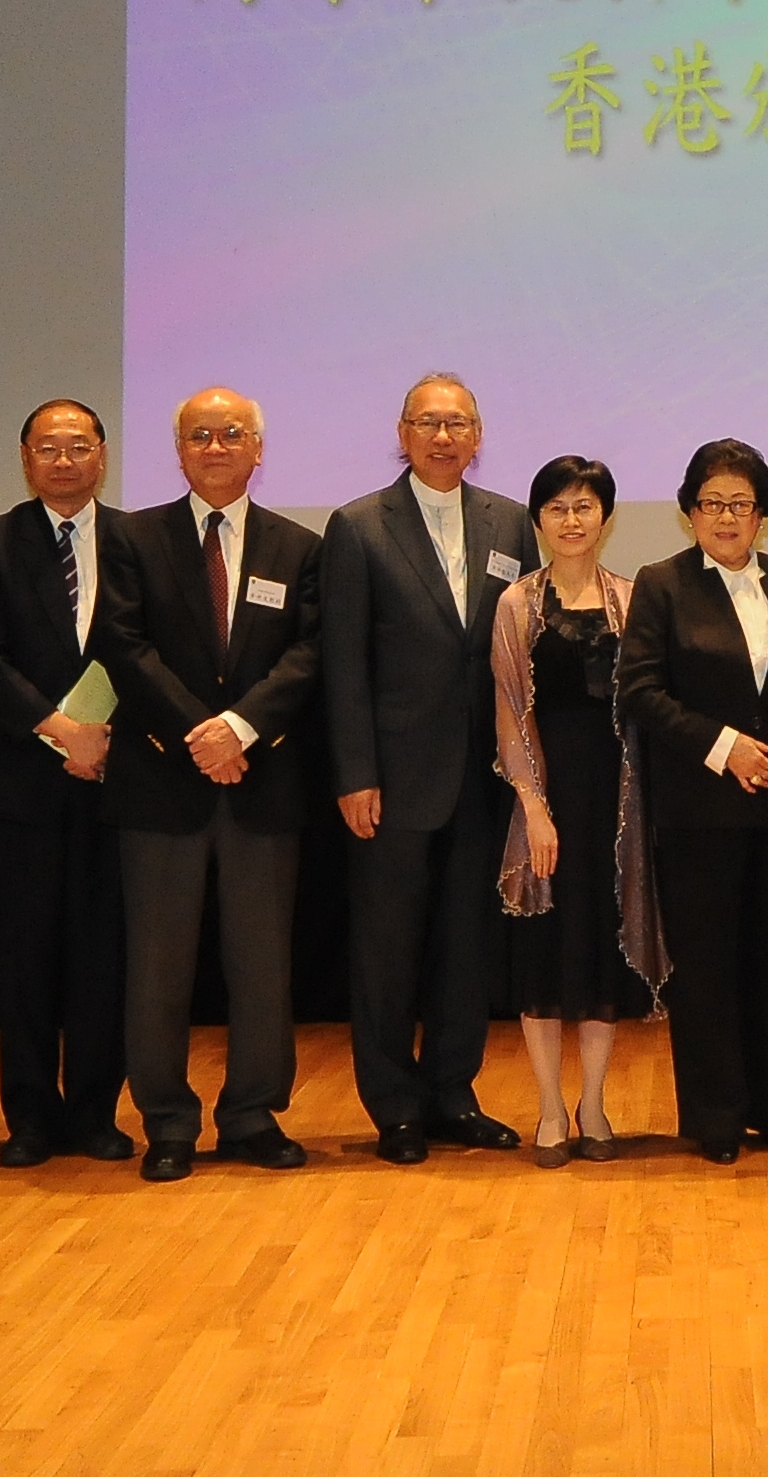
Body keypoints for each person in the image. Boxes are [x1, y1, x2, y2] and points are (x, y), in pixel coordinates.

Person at [109, 387, 326, 1178]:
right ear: (178, 450)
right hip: (162, 784)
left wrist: (238, 728)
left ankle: (251, 1115)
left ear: (257, 448)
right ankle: (166, 1120)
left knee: (262, 963)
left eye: (231, 432)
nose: (215, 445)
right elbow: (124, 646)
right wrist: (200, 733)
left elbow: (309, 655)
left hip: (261, 782)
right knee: (158, 967)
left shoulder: (298, 546)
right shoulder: (133, 537)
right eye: (199, 434)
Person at [322, 373, 535, 1163]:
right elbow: (343, 663)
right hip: (391, 778)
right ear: (402, 432)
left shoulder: (510, 520)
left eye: (457, 423)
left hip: (483, 775)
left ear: (477, 436)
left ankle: (452, 1093)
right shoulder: (357, 525)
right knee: (386, 950)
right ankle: (395, 1107)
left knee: (465, 946)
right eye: (427, 422)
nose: (443, 436)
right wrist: (353, 773)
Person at [618, 439, 768, 1164]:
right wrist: (724, 747)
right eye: (711, 502)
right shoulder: (662, 583)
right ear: (688, 512)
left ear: (763, 515)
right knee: (707, 969)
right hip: (699, 811)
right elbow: (640, 692)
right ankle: (715, 1115)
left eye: (740, 503)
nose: (726, 515)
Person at [0, 399, 134, 1168]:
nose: (64, 461)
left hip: (117, 785)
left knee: (104, 958)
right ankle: (28, 1116)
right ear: (25, 458)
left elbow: (151, 649)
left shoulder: (138, 540)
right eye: (47, 448)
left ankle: (95, 1112)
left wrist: (107, 737)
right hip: (19, 785)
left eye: (78, 446)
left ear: (102, 454)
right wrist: (62, 731)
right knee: (22, 961)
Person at [490, 455, 663, 1165]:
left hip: (614, 804)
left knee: (597, 958)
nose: (571, 519)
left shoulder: (632, 598)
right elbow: (507, 708)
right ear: (537, 519)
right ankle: (549, 1112)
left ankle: (593, 1105)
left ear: (605, 517)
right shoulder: (516, 604)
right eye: (557, 507)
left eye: (584, 506)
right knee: (542, 959)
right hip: (543, 798)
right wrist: (533, 805)